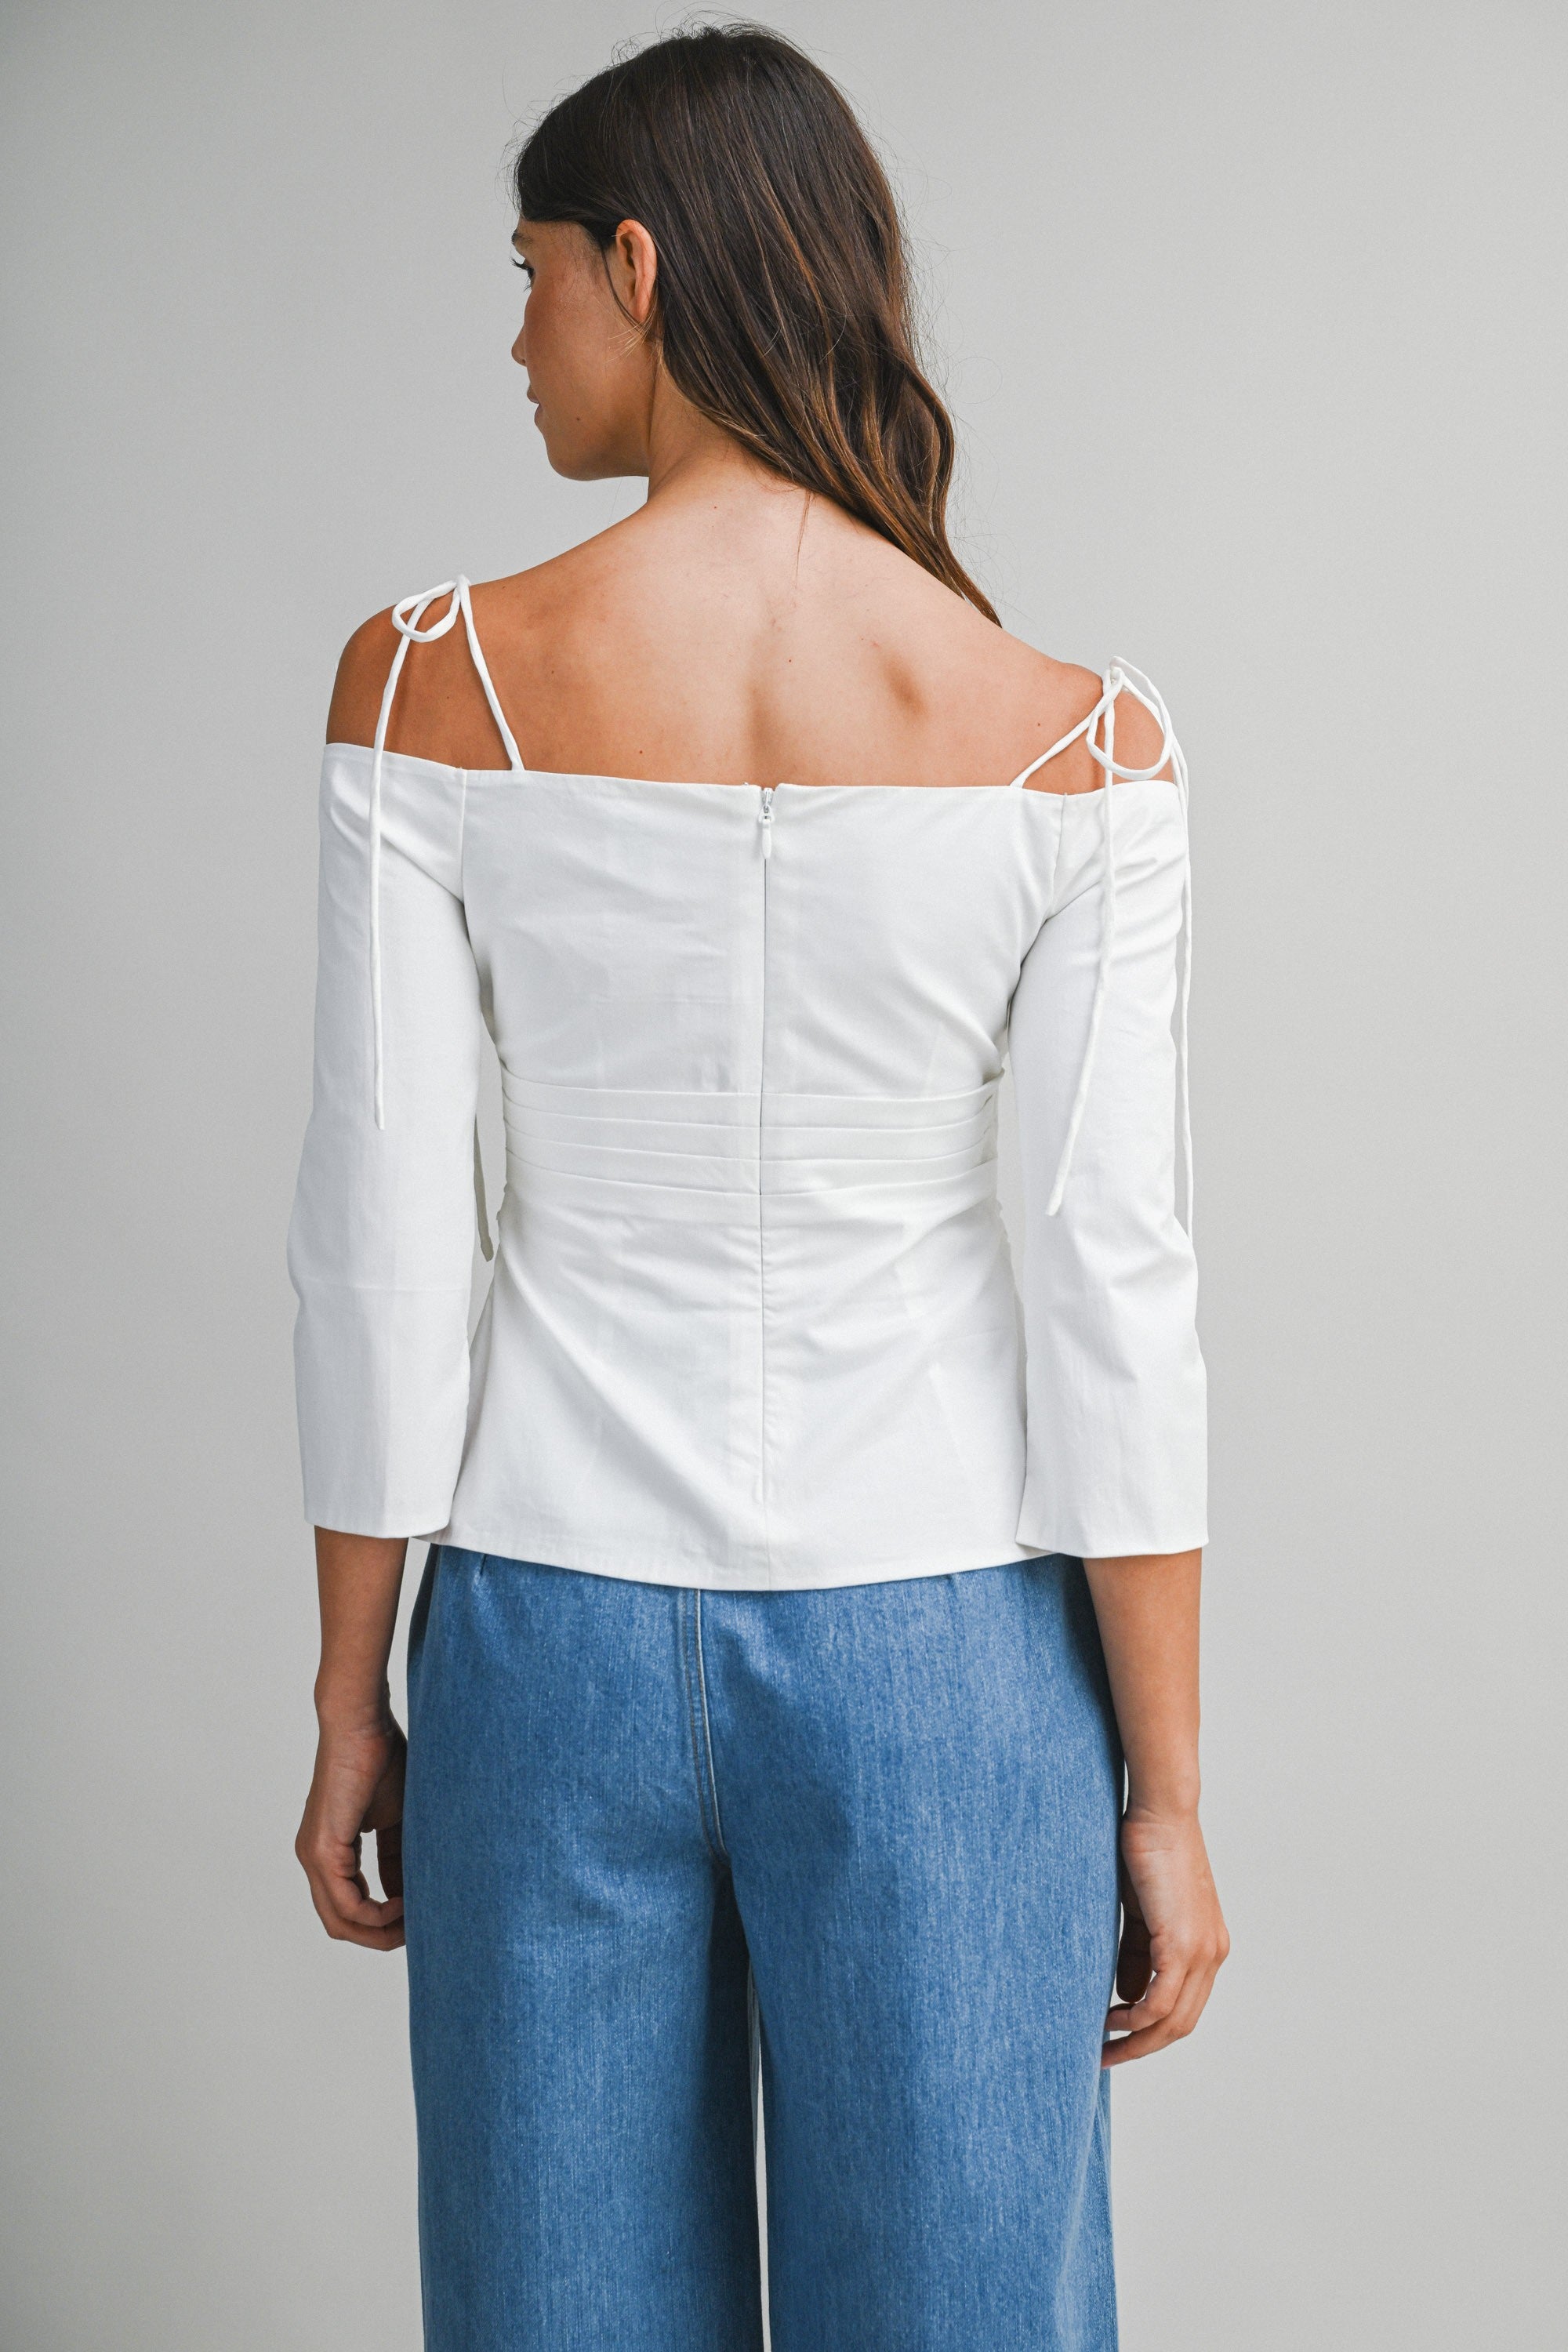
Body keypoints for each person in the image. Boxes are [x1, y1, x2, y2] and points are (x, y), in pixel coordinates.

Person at [289, 24, 1227, 2351]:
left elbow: (382, 1231)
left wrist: (350, 1686)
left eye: (529, 276)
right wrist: (1168, 1786)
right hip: (951, 1642)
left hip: (548, 1625)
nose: (517, 339)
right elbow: (1112, 1284)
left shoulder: (433, 683)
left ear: (638, 265)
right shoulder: (1077, 737)